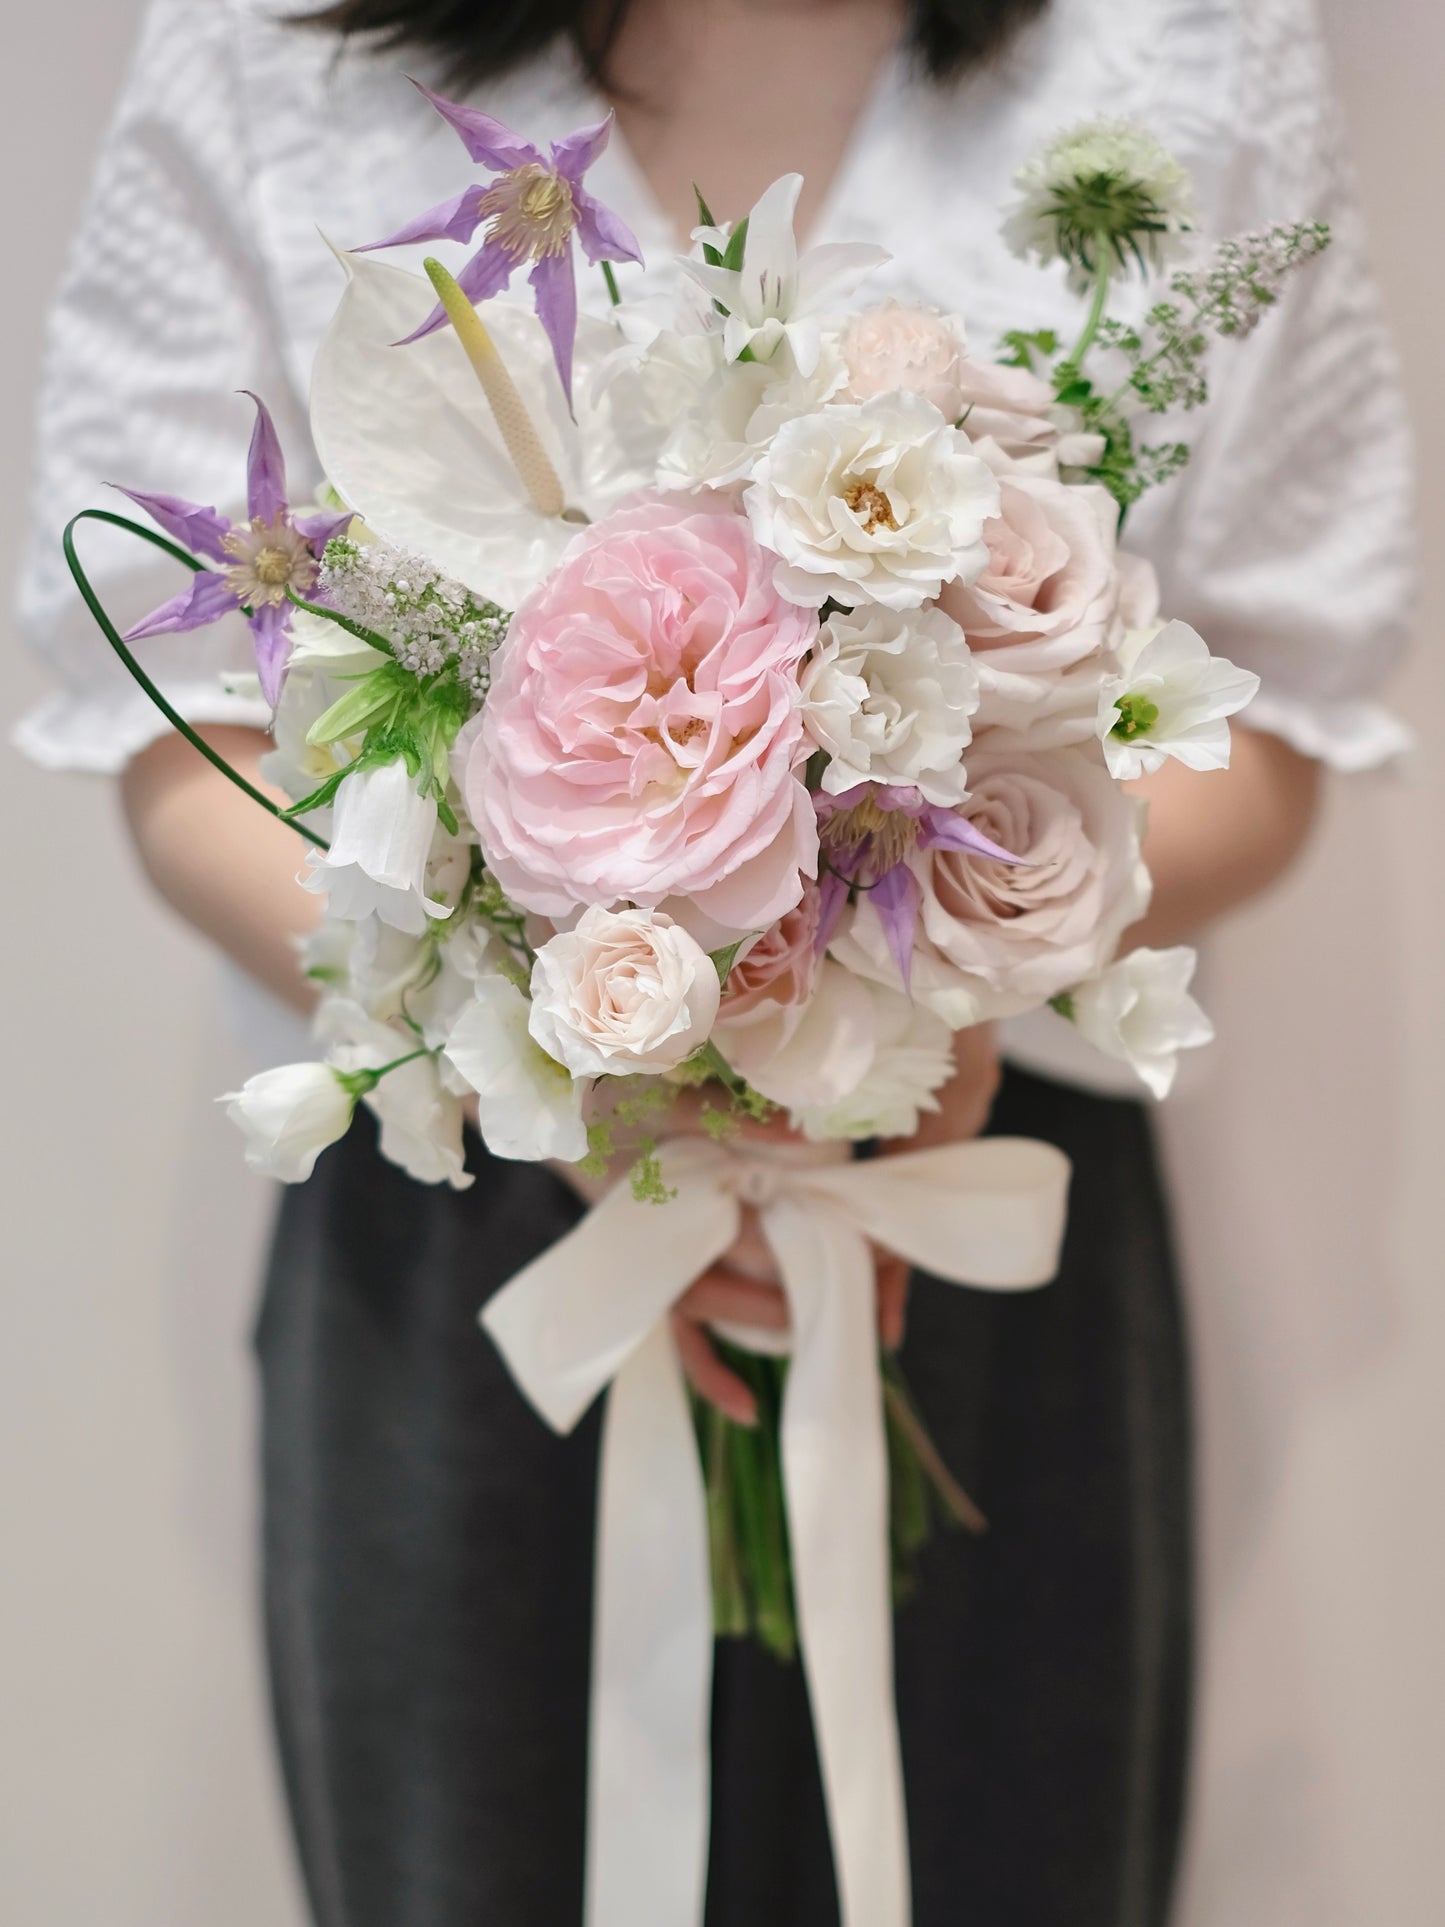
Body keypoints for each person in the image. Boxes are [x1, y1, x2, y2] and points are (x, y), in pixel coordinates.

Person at [15, 0, 1412, 1922]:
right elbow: (178, 725)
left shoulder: (1182, 40)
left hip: (976, 1205)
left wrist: (892, 996)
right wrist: (572, 1036)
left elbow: (1266, 714)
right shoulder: (264, 39)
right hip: (471, 1219)